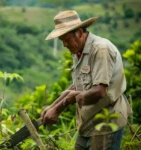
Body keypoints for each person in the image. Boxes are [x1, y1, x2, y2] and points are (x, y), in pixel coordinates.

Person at [41, 10, 132, 150]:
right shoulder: (78, 51)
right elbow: (77, 86)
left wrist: (60, 107)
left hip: (106, 124)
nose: (64, 44)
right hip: (87, 124)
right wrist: (52, 107)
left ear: (79, 32)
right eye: (62, 41)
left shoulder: (100, 49)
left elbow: (99, 91)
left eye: (66, 39)